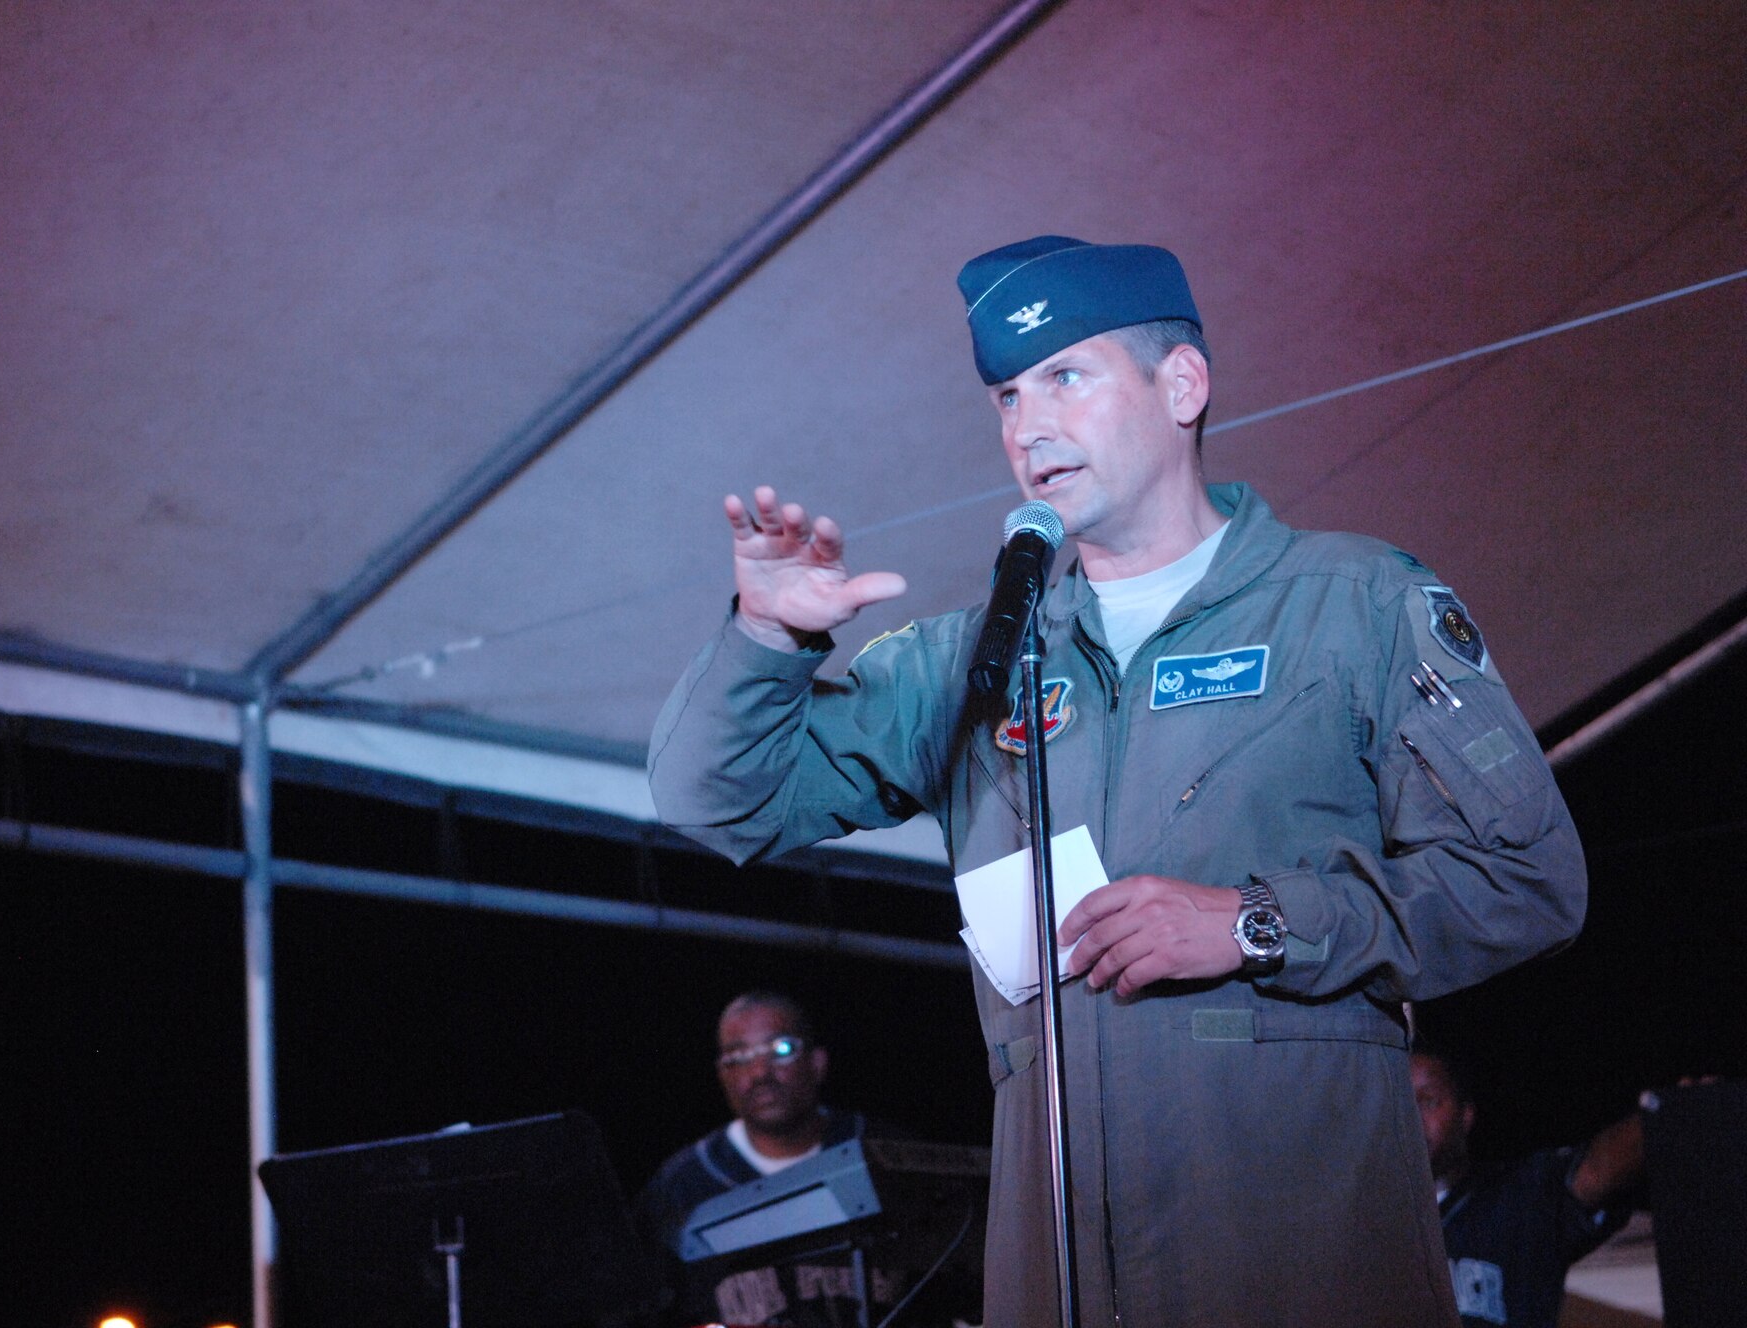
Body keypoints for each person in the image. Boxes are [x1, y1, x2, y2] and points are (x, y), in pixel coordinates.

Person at [648, 236, 1588, 1326]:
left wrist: (1257, 922)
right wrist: (762, 636)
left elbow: (1525, 879)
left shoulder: (1355, 604)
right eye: (1005, 395)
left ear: (1180, 384)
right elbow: (714, 801)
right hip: (1061, 1259)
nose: (1026, 425)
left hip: (1301, 1250)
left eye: (1064, 377)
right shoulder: (974, 662)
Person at [631, 991, 911, 1327]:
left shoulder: (889, 1157)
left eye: (781, 1050)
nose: (760, 1072)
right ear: (723, 1076)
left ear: (817, 1063)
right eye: (739, 1057)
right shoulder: (682, 1186)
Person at [1411, 1045, 1641, 1328]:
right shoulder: (1366, 1218)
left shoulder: (1516, 1199)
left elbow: (1596, 1171)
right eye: (1401, 1104)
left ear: (1465, 1115)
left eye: (1429, 1101)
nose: (1412, 1117)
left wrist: (1665, 1111)